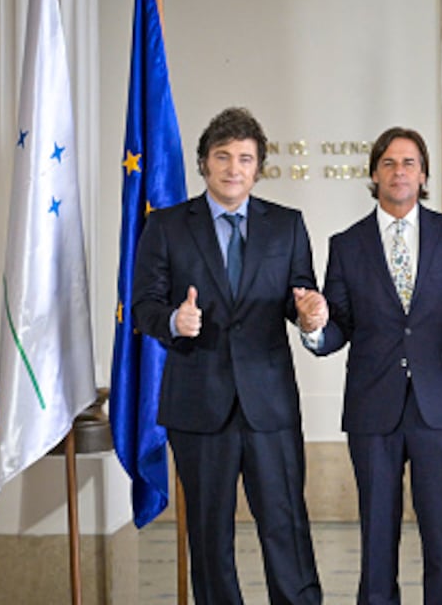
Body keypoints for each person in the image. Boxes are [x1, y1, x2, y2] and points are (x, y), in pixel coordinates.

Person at [308, 127, 442, 605]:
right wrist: (315, 326)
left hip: (438, 406)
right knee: (377, 534)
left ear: (423, 175)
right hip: (372, 407)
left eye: (409, 163)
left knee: (441, 534)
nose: (398, 171)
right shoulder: (347, 244)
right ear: (374, 174)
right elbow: (337, 325)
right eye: (388, 163)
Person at [132, 107, 325, 605]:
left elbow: (299, 297)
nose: (233, 168)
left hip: (269, 406)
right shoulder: (168, 226)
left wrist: (309, 316)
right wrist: (175, 321)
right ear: (203, 163)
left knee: (286, 526)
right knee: (209, 534)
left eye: (245, 158)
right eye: (222, 157)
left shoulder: (286, 226)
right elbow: (143, 306)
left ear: (258, 167)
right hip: (198, 404)